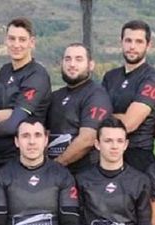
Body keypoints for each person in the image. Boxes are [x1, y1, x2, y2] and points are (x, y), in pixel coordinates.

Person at [102, 20, 155, 172]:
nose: (132, 46)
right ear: (121, 42)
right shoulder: (110, 76)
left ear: (148, 45)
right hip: (107, 155)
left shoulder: (153, 79)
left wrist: (100, 118)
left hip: (138, 155)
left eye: (139, 41)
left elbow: (130, 123)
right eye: (128, 40)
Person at [0, 17, 51, 170]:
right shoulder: (4, 71)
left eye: (22, 39)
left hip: (25, 160)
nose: (16, 45)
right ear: (6, 41)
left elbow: (12, 125)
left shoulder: (37, 75)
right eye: (12, 39)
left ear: (32, 42)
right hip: (0, 158)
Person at [47, 43, 112, 174]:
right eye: (68, 59)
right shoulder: (55, 96)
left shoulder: (96, 95)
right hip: (54, 176)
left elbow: (87, 139)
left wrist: (57, 164)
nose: (72, 64)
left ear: (91, 65)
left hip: (84, 175)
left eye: (78, 59)